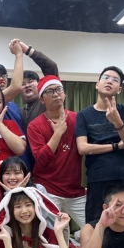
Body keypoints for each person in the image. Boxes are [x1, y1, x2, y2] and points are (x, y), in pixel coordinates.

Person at [75, 67, 124, 223]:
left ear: (119, 89)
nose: (109, 81)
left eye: (115, 80)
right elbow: (83, 148)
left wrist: (117, 122)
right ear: (97, 84)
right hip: (97, 176)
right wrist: (116, 146)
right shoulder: (84, 115)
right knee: (96, 223)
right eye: (105, 77)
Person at [28, 75, 86, 228]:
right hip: (48, 190)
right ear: (41, 99)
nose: (56, 94)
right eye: (49, 91)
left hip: (75, 191)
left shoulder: (78, 119)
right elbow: (41, 159)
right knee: (52, 235)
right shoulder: (35, 126)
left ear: (64, 94)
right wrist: (58, 133)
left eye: (58, 89)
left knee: (94, 229)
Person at [0, 39, 31, 169]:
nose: (2, 79)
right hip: (3, 161)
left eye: (4, 75)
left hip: (21, 156)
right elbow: (16, 86)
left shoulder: (13, 105)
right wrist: (19, 54)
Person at [19, 41, 59, 128]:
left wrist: (28, 51)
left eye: (30, 81)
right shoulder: (19, 112)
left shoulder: (47, 101)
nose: (27, 85)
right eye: (23, 84)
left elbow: (51, 67)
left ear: (39, 84)